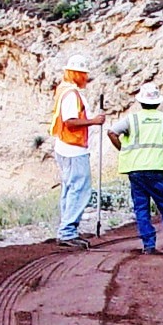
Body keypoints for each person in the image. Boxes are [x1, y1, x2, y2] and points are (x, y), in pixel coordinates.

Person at [109, 86, 163, 254]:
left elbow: (112, 132)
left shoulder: (132, 119)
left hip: (135, 169)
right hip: (158, 168)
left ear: (141, 101)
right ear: (158, 102)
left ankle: (149, 245)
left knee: (141, 207)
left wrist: (124, 150)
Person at [48, 51, 103, 248]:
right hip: (73, 148)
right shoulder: (71, 94)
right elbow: (70, 122)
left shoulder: (64, 89)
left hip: (66, 147)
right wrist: (93, 122)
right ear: (76, 74)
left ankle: (66, 229)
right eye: (83, 74)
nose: (86, 78)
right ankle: (67, 232)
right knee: (79, 190)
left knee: (70, 188)